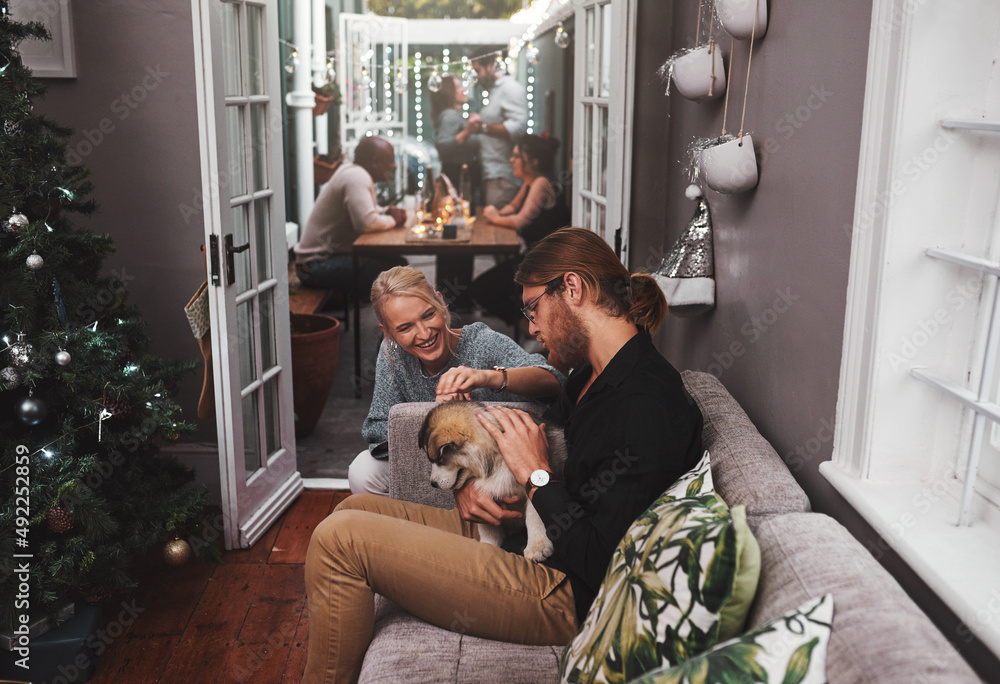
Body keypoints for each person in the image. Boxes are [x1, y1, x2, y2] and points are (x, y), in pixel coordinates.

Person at [304, 227, 704, 683]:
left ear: (571, 288)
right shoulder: (592, 375)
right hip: (525, 533)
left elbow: (600, 561)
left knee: (342, 541)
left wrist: (536, 474)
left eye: (533, 308)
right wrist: (476, 485)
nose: (531, 327)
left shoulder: (644, 402)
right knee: (353, 508)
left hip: (561, 590)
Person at [348, 265, 565, 496]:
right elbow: (377, 431)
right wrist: (440, 415)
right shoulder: (392, 352)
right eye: (405, 327)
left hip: (498, 471)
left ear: (441, 302)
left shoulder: (482, 342)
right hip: (437, 467)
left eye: (428, 315)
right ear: (388, 333)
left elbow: (555, 380)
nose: (424, 333)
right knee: (363, 470)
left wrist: (487, 377)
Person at [466, 133, 570, 324]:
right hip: (532, 255)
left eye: (516, 156)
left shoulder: (541, 183)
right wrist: (496, 213)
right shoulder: (530, 181)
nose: (511, 160)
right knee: (485, 286)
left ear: (533, 161)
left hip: (544, 262)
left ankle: (526, 326)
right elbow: (512, 208)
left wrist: (493, 216)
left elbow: (520, 220)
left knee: (480, 290)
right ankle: (524, 320)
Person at [294, 136, 408, 297]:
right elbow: (366, 223)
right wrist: (393, 219)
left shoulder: (355, 173)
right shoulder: (357, 177)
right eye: (390, 160)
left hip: (321, 261)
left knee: (397, 265)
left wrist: (387, 210)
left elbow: (368, 209)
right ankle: (392, 319)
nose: (393, 165)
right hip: (314, 267)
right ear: (374, 161)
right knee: (395, 272)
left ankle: (392, 317)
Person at [467, 46, 528, 208]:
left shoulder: (511, 89)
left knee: (499, 231)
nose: (477, 76)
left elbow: (518, 128)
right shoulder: (496, 91)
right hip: (491, 173)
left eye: (478, 70)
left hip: (503, 177)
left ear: (492, 65)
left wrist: (482, 127)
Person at [430, 74, 480, 201]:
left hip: (457, 173)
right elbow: (443, 146)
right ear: (449, 93)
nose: (463, 89)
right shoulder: (450, 115)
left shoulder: (453, 114)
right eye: (458, 87)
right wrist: (467, 132)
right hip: (457, 175)